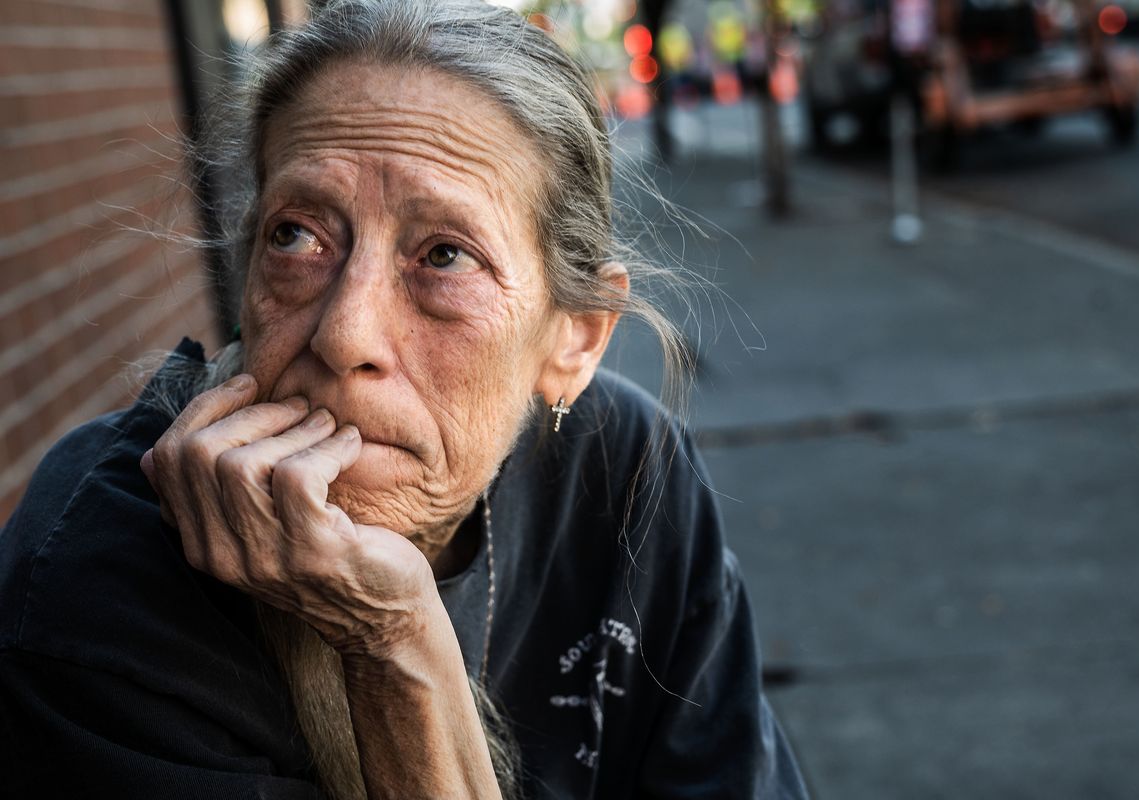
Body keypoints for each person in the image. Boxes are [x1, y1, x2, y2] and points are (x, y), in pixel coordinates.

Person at [0, 1, 809, 797]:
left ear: (577, 339)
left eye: (445, 255)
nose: (345, 335)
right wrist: (392, 644)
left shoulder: (627, 469)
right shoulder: (98, 584)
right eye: (297, 237)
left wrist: (394, 638)